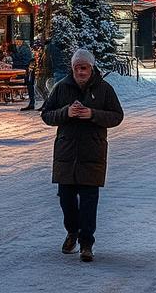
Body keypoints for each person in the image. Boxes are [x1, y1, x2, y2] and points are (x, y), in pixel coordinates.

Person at [41, 48, 124, 263]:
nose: (80, 71)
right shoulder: (62, 88)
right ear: (72, 68)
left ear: (91, 68)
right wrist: (66, 113)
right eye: (77, 67)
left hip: (92, 153)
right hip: (66, 153)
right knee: (66, 200)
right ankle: (72, 232)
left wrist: (93, 114)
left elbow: (117, 116)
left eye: (84, 67)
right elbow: (47, 114)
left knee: (89, 202)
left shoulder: (104, 89)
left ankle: (87, 243)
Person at [13, 37, 36, 111]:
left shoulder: (24, 49)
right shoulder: (22, 48)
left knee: (29, 85)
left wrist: (15, 62)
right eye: (16, 41)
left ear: (21, 41)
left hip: (26, 69)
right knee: (29, 86)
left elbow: (24, 60)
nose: (16, 43)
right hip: (26, 69)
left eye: (18, 41)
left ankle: (32, 102)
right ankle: (32, 102)